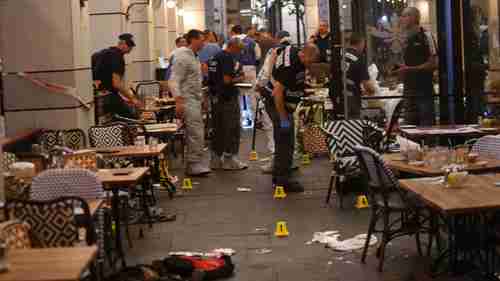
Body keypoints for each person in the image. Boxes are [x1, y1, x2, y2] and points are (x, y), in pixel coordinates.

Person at [262, 43, 320, 192]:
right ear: (303, 55)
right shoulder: (291, 67)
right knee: (284, 141)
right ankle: (282, 181)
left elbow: (275, 51)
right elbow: (277, 93)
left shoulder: (293, 50)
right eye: (309, 61)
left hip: (280, 101)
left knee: (286, 141)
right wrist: (283, 117)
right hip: (276, 103)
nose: (310, 65)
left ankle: (280, 176)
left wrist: (304, 89)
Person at [170, 30, 210, 176]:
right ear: (193, 40)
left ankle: (195, 162)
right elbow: (174, 81)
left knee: (197, 131)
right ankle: (193, 164)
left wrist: (202, 99)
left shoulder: (194, 56)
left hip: (194, 98)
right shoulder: (183, 57)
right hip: (187, 99)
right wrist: (179, 101)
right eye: (201, 40)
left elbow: (195, 81)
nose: (204, 43)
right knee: (195, 132)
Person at [208, 38, 248, 170]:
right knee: (232, 127)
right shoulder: (227, 58)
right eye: (239, 50)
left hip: (215, 97)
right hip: (227, 97)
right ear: (234, 47)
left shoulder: (215, 56)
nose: (239, 53)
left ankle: (215, 159)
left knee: (218, 128)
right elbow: (226, 80)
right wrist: (240, 78)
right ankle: (230, 159)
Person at [257, 31, 292, 173]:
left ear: (277, 39)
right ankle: (287, 161)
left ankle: (277, 162)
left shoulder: (274, 51)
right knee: (288, 130)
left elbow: (265, 72)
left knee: (275, 129)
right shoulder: (295, 51)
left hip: (274, 95)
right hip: (290, 97)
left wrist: (258, 86)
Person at [395, 7, 437, 126]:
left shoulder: (426, 36)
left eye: (405, 16)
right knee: (409, 126)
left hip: (424, 89)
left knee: (426, 125)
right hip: (408, 89)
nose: (401, 19)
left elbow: (433, 63)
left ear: (414, 18)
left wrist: (410, 69)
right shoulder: (405, 39)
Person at [92, 33, 141, 119]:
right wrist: (132, 99)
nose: (131, 49)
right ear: (121, 43)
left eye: (131, 46)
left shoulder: (102, 53)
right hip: (108, 98)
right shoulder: (118, 57)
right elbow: (116, 84)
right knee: (133, 117)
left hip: (96, 98)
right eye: (129, 45)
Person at [344, 33, 376, 119]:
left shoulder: (341, 54)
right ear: (361, 43)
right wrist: (372, 91)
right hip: (352, 99)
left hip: (339, 97)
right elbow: (367, 85)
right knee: (353, 125)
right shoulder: (359, 57)